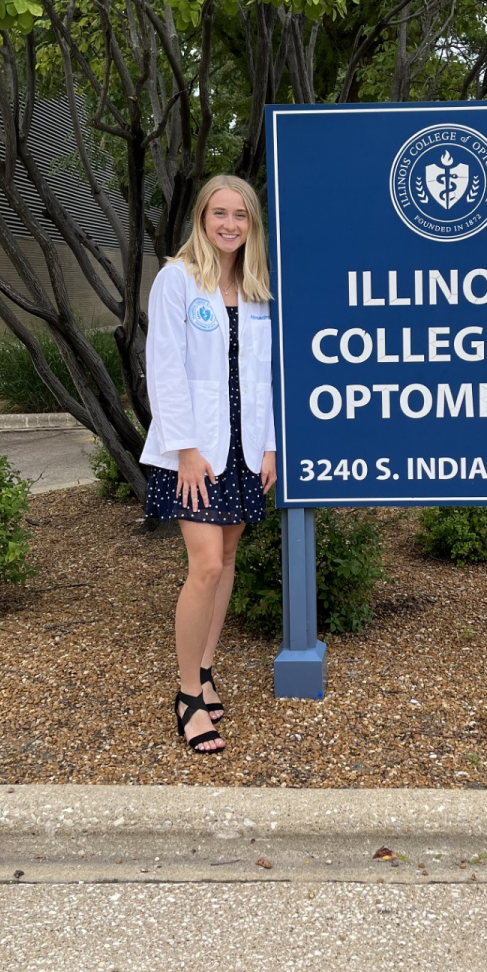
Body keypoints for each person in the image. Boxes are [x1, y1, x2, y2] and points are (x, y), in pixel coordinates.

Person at [140, 175, 276, 754]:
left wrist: (270, 445)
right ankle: (188, 695)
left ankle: (207, 667)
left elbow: (265, 377)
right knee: (206, 567)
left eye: (240, 215)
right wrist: (187, 449)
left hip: (247, 446)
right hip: (195, 451)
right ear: (201, 218)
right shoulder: (177, 281)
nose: (229, 224)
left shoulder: (255, 286)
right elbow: (164, 368)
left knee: (227, 556)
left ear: (252, 225)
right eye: (219, 213)